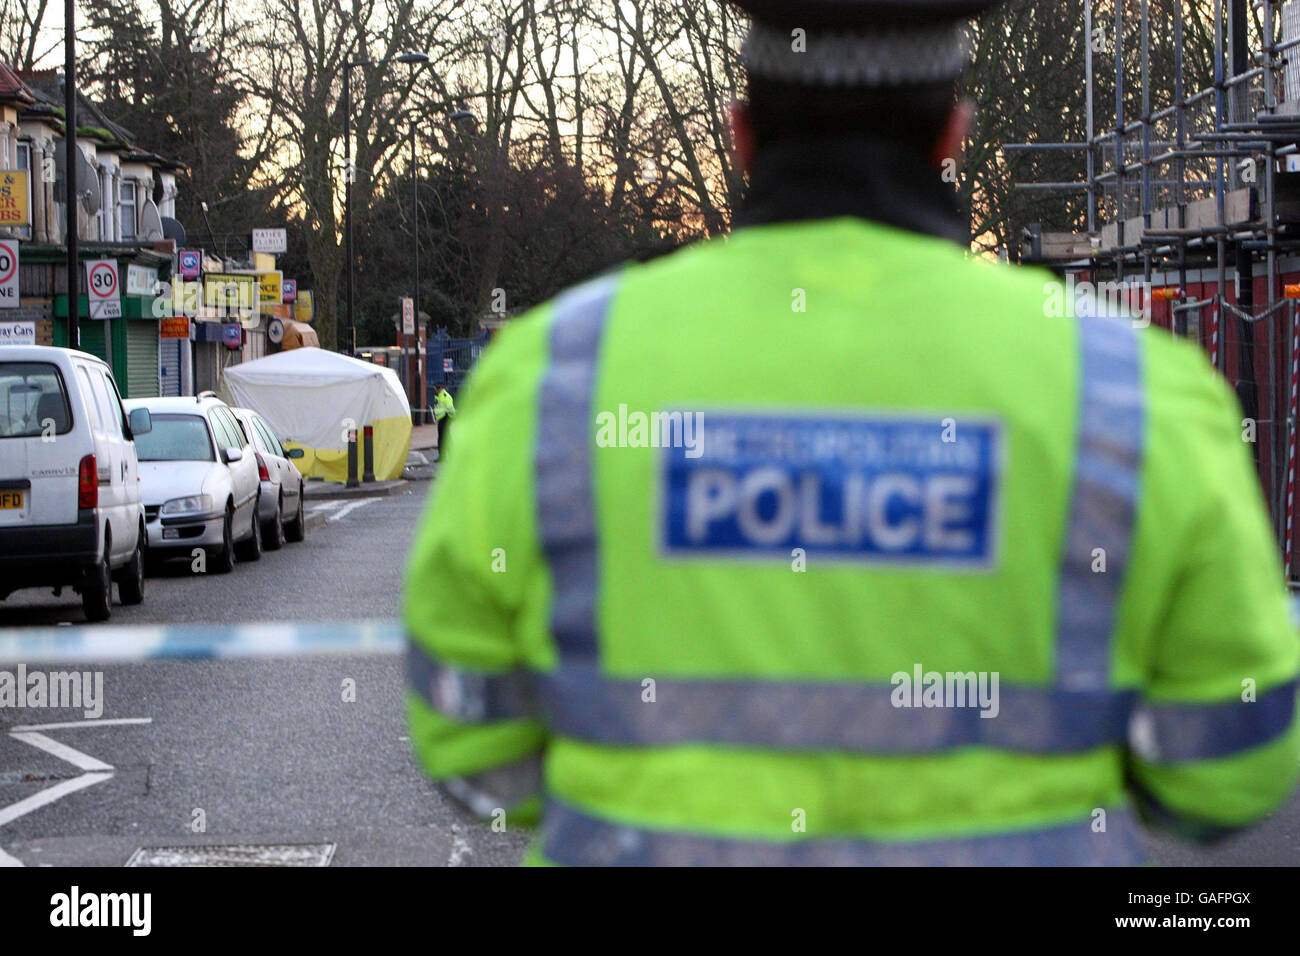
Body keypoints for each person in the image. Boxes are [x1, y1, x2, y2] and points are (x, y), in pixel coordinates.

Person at [404, 0, 1299, 865]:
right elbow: (1230, 767)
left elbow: (471, 740)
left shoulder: (554, 377)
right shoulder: (1132, 390)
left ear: (742, 132)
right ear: (952, 135)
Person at [432, 383, 455, 459]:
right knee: (443, 438)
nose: (436, 390)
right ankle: (445, 456)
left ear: (441, 388)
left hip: (445, 418)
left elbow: (450, 409)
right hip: (441, 419)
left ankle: (449, 455)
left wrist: (453, 418)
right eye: (436, 388)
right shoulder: (439, 396)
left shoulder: (445, 396)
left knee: (444, 438)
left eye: (437, 388)